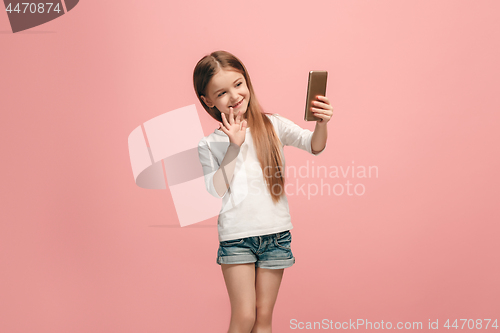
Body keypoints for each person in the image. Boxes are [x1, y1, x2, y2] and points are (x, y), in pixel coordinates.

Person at [194, 50, 333, 333]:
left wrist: (322, 122)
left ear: (246, 81)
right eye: (221, 92)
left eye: (238, 84)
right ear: (208, 100)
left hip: (276, 234)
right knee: (244, 317)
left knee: (263, 318)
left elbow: (314, 145)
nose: (234, 96)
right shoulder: (209, 144)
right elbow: (216, 190)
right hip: (237, 238)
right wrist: (234, 146)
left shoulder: (274, 125)